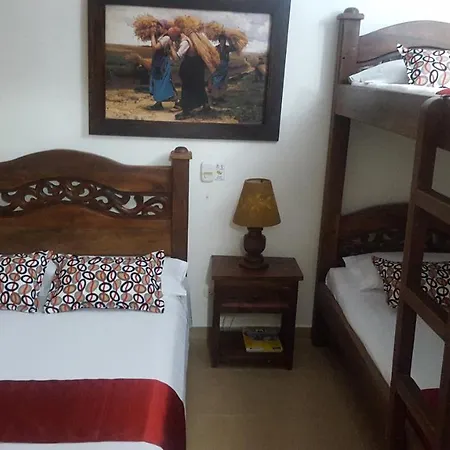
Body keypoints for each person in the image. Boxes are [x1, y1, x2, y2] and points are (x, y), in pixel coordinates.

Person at [167, 27, 209, 120]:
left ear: (175, 35)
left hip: (192, 65)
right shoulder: (184, 39)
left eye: (171, 36)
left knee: (187, 89)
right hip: (195, 65)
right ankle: (204, 106)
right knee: (198, 86)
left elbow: (177, 58)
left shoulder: (185, 42)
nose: (170, 38)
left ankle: (186, 111)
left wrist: (170, 46)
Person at [148, 21, 178, 110]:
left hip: (162, 64)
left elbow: (155, 47)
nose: (157, 28)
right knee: (158, 82)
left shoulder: (166, 38)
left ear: (165, 28)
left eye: (159, 27)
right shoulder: (161, 37)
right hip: (158, 62)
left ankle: (176, 100)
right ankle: (159, 103)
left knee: (163, 82)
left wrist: (152, 35)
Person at [210, 34, 235, 104]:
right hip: (218, 66)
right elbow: (212, 56)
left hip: (225, 66)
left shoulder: (227, 48)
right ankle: (214, 97)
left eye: (224, 40)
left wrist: (230, 40)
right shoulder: (216, 48)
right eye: (221, 40)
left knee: (223, 82)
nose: (222, 41)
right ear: (219, 40)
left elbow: (234, 48)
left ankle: (220, 97)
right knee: (216, 82)